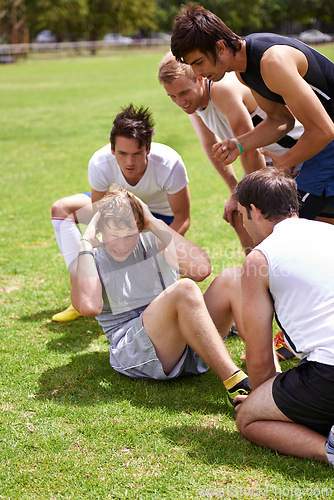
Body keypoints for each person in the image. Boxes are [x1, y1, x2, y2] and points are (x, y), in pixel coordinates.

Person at [69, 186, 251, 405]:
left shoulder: (153, 239)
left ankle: (267, 371)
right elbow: (88, 306)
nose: (121, 245)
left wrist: (154, 222)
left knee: (232, 278)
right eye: (113, 236)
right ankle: (236, 382)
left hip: (188, 341)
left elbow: (201, 270)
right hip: (137, 351)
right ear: (100, 229)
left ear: (139, 227)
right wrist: (85, 244)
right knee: (185, 289)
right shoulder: (89, 258)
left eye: (129, 235)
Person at [206, 168, 334, 465]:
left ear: (254, 211)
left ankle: (327, 450)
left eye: (241, 215)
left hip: (328, 373)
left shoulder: (260, 259)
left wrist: (261, 401)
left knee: (248, 419)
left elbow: (261, 360)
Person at [170, 4, 334, 221]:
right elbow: (280, 120)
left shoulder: (271, 62)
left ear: (220, 47)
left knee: (284, 223)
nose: (198, 73)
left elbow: (323, 130)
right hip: (325, 142)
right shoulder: (244, 70)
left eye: (199, 62)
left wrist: (284, 162)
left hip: (327, 140)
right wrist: (239, 144)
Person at [51, 104, 191, 322]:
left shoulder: (169, 163)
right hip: (118, 211)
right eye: (123, 153)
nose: (129, 162)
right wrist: (98, 248)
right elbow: (101, 215)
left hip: (157, 218)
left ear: (148, 148)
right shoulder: (100, 161)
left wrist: (159, 249)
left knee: (169, 264)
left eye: (137, 153)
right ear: (112, 149)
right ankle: (83, 286)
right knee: (61, 209)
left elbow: (183, 218)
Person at [158, 51, 304, 252]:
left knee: (257, 213)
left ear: (199, 79)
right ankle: (257, 273)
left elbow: (250, 151)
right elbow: (211, 146)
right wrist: (234, 190)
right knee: (237, 212)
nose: (180, 102)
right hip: (268, 158)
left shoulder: (222, 91)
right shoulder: (193, 104)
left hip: (296, 150)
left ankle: (272, 266)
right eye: (172, 96)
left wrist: (246, 198)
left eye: (183, 93)